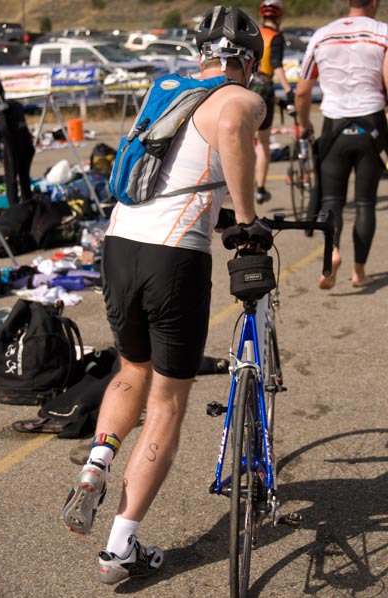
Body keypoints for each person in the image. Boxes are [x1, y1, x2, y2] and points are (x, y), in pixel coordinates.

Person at [63, 5, 272, 585]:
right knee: (168, 401)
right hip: (173, 258)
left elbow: (179, 169)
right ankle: (120, 546)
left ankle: (98, 460)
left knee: (131, 369)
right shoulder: (240, 96)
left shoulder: (169, 88)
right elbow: (231, 127)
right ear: (249, 62)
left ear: (199, 55)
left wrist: (221, 210)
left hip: (121, 242)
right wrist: (248, 219)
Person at [295, 0, 388, 289]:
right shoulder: (383, 33)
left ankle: (332, 253)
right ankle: (359, 272)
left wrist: (304, 123)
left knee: (332, 201)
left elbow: (302, 92)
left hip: (333, 125)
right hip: (371, 124)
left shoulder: (322, 34)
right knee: (365, 202)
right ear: (373, 3)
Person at [250, 0, 294, 204]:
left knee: (243, 139)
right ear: (280, 17)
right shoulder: (276, 37)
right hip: (265, 90)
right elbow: (276, 67)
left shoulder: (254, 34)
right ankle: (260, 188)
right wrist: (288, 90)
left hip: (247, 87)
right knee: (264, 143)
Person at [0, 76, 35, 207]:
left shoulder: (7, 111)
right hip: (21, 144)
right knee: (19, 176)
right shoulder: (14, 108)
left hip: (15, 143)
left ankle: (17, 205)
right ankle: (25, 201)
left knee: (13, 177)